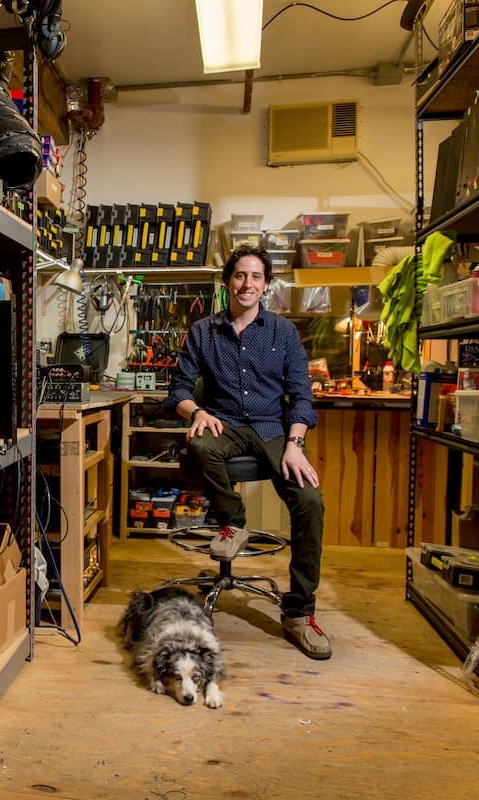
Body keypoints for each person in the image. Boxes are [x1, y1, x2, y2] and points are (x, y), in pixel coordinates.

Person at [166, 243, 330, 660]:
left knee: (310, 501)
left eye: (256, 276)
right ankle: (232, 522)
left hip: (274, 429)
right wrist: (197, 411)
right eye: (240, 275)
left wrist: (295, 444)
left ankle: (299, 613)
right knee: (199, 441)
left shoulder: (283, 332)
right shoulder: (204, 331)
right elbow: (178, 391)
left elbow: (302, 398)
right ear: (227, 282)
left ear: (266, 285)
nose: (247, 284)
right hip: (224, 424)